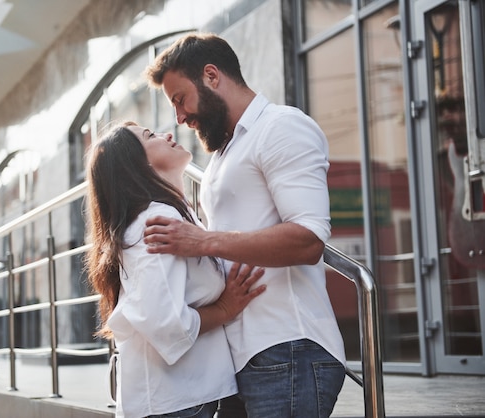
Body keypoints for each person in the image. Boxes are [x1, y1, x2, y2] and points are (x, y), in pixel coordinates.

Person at [143, 33, 346, 417]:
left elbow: (308, 241)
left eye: (179, 98)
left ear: (211, 76)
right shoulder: (224, 154)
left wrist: (203, 241)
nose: (179, 117)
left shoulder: (281, 127)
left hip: (288, 347)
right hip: (242, 356)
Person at [84, 121, 266, 418]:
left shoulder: (171, 215)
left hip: (179, 398)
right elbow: (162, 321)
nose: (167, 134)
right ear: (136, 164)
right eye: (150, 136)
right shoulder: (156, 220)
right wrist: (224, 308)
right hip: (172, 403)